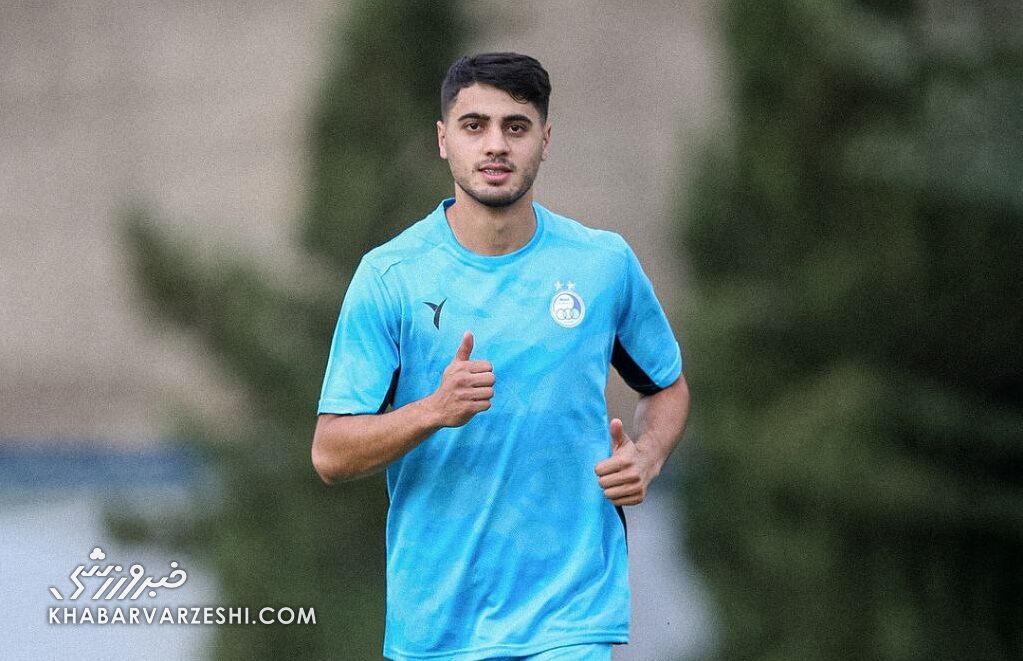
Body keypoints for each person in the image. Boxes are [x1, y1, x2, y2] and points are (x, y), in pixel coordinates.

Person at [312, 52, 690, 661]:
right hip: (437, 625)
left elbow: (666, 385)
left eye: (516, 127)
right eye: (474, 126)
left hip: (570, 616)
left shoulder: (603, 264)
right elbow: (330, 452)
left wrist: (647, 456)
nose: (496, 145)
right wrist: (433, 410)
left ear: (545, 140)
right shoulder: (390, 277)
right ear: (444, 140)